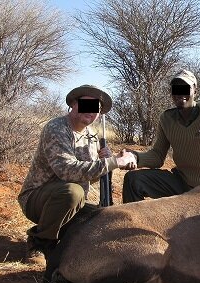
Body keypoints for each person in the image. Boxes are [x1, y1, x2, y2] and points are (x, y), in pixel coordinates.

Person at [18, 84, 136, 263]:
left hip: (73, 202)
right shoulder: (56, 127)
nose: (92, 111)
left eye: (96, 108)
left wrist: (107, 162)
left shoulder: (92, 136)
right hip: (38, 199)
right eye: (86, 105)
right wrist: (113, 163)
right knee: (73, 192)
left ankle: (62, 237)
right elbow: (67, 171)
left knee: (103, 218)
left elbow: (92, 176)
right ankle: (39, 242)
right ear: (73, 104)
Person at [122, 69, 200, 203]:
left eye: (185, 88)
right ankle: (129, 222)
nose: (180, 93)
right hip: (180, 181)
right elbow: (157, 156)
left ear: (195, 91)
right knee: (133, 180)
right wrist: (135, 157)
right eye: (175, 89)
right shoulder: (166, 118)